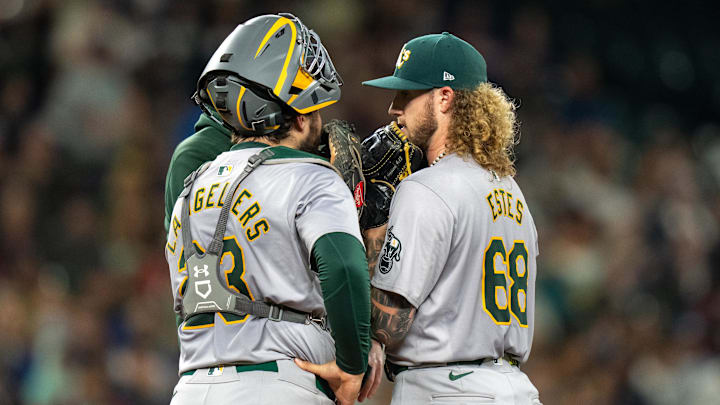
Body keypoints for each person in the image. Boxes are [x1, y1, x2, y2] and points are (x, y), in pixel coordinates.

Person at [165, 14, 370, 405]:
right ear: (299, 112)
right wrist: (352, 365)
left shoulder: (190, 189)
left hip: (192, 387)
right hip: (276, 381)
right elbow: (343, 266)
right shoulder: (310, 175)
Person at [357, 32, 542, 404]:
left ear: (444, 97)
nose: (395, 108)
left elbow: (386, 323)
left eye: (406, 94)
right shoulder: (511, 192)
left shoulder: (427, 188)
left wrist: (374, 222)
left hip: (446, 389)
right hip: (515, 388)